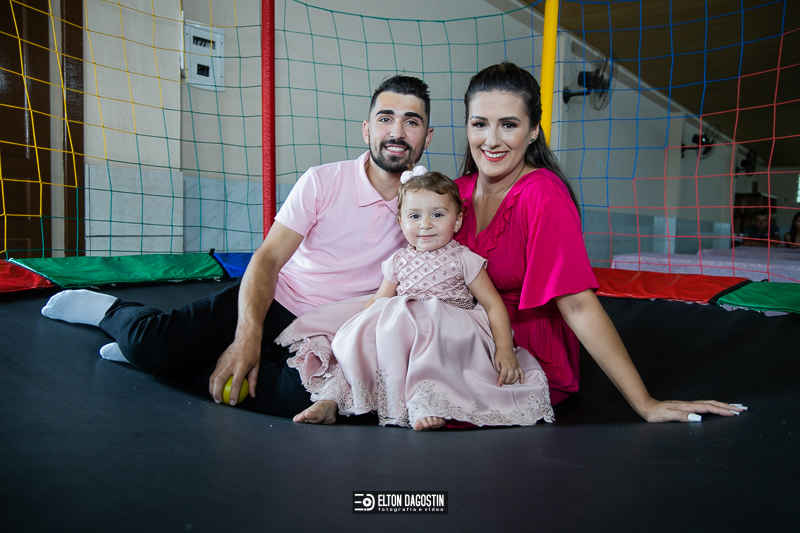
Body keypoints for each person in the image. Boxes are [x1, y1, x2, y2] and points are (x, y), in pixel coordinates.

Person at [40, 75, 434, 417]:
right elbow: (269, 257)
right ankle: (115, 315)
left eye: (411, 122)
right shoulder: (323, 181)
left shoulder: (429, 205)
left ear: (427, 137)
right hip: (279, 300)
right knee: (150, 344)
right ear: (367, 130)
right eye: (386, 119)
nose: (397, 132)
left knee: (308, 400)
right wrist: (247, 338)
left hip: (335, 330)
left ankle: (173, 365)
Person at [452, 62, 745, 422]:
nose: (492, 140)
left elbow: (577, 303)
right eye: (480, 124)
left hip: (525, 354)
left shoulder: (542, 195)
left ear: (533, 131)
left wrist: (645, 403)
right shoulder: (455, 194)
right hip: (468, 343)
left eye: (509, 125)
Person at [279, 167, 554, 430]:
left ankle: (429, 402)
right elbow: (379, 299)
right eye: (414, 216)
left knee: (431, 344)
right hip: (404, 330)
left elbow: (492, 303)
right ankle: (333, 399)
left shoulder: (463, 259)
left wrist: (504, 348)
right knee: (367, 336)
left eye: (437, 214)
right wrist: (358, 329)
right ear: (401, 222)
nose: (425, 225)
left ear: (457, 220)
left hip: (447, 328)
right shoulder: (398, 260)